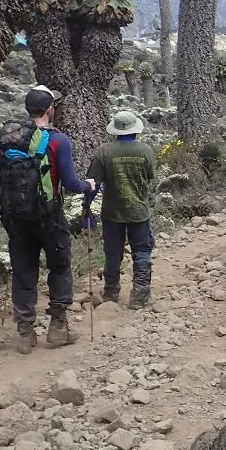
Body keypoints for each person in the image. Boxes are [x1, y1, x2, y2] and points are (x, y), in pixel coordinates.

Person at [0, 85, 96, 354]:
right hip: (49, 215)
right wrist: (88, 185)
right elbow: (70, 182)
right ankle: (58, 327)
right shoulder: (58, 140)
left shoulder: (11, 139)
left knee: (23, 270)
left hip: (16, 218)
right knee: (59, 267)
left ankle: (25, 334)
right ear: (50, 109)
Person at [85, 111, 157, 309]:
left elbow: (93, 184)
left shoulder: (104, 152)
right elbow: (150, 176)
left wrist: (86, 208)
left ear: (115, 130)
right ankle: (140, 295)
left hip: (112, 213)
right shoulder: (146, 151)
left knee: (112, 252)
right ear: (136, 129)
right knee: (142, 251)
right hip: (139, 211)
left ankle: (111, 292)